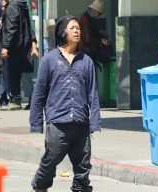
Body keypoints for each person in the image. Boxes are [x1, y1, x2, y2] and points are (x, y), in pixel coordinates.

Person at [30, 15, 100, 192]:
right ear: (62, 32)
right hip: (58, 124)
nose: (77, 31)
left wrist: (95, 121)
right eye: (72, 28)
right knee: (49, 162)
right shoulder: (49, 60)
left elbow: (93, 94)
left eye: (78, 28)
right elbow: (39, 94)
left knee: (83, 168)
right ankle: (39, 187)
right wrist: (36, 123)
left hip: (81, 124)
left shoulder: (87, 61)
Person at [0, 0, 35, 110]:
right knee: (25, 74)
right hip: (23, 45)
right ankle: (32, 100)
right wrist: (33, 41)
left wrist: (5, 46)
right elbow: (28, 25)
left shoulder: (12, 6)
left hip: (14, 47)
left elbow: (11, 27)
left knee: (13, 74)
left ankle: (15, 100)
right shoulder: (21, 4)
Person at [79, 0, 112, 69]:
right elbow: (87, 38)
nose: (99, 15)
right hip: (87, 50)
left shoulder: (89, 18)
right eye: (98, 13)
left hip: (88, 50)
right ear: (94, 11)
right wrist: (101, 40)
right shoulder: (85, 19)